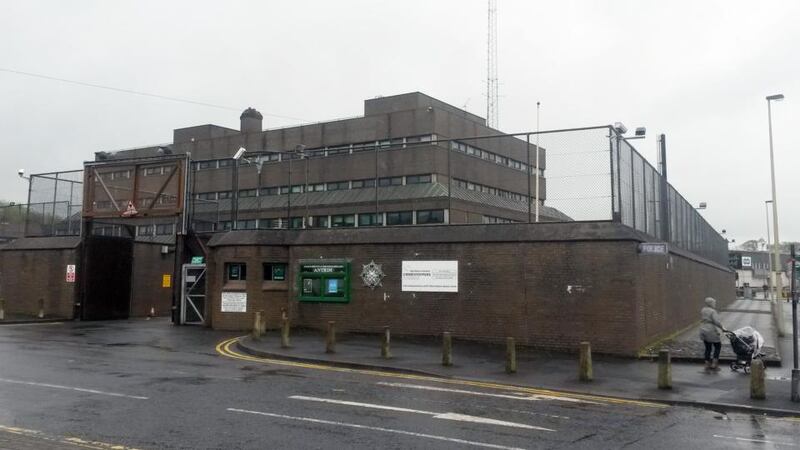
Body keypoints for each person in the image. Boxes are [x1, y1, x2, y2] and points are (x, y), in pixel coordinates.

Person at [700, 297, 726, 372]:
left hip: (703, 329)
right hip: (710, 330)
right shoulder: (713, 311)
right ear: (710, 303)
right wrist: (722, 328)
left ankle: (707, 364)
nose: (715, 304)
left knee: (708, 348)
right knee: (718, 346)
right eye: (714, 303)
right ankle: (714, 364)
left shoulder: (703, 310)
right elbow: (716, 322)